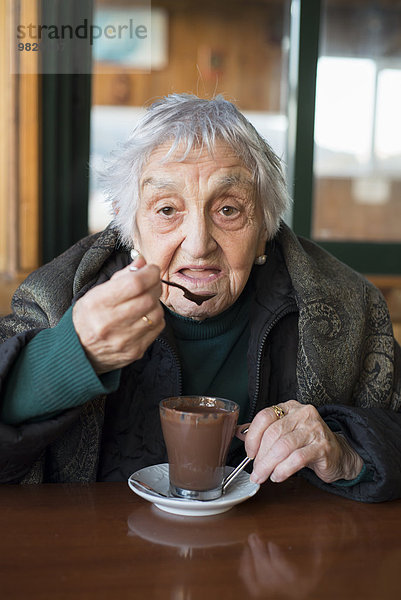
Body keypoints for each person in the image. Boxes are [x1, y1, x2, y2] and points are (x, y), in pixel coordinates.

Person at [0, 94, 400, 500]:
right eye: (167, 210)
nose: (198, 245)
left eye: (228, 210)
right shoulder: (57, 295)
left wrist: (347, 452)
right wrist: (71, 353)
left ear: (266, 224)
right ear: (129, 225)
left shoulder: (348, 305)